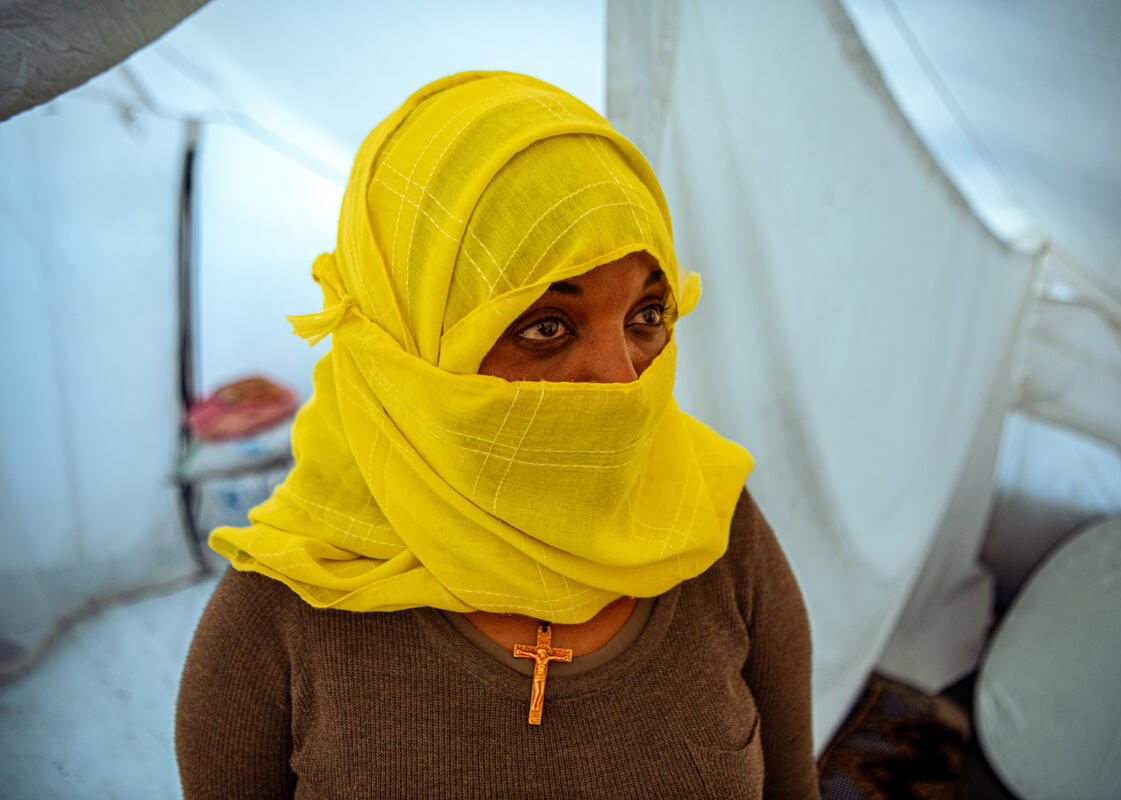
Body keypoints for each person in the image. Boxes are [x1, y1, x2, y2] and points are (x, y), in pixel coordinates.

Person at [175, 71, 819, 799]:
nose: (624, 377)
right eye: (546, 326)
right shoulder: (282, 616)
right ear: (404, 344)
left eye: (647, 315)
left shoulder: (715, 532)